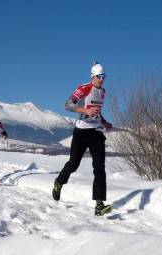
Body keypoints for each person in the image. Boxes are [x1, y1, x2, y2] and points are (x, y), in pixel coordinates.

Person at [52, 62, 113, 216]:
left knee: (100, 168)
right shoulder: (84, 88)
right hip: (81, 132)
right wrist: (85, 109)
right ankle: (59, 182)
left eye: (104, 76)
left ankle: (99, 205)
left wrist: (104, 122)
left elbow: (97, 112)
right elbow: (67, 105)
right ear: (93, 76)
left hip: (96, 132)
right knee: (73, 164)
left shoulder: (103, 92)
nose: (102, 79)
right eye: (99, 76)